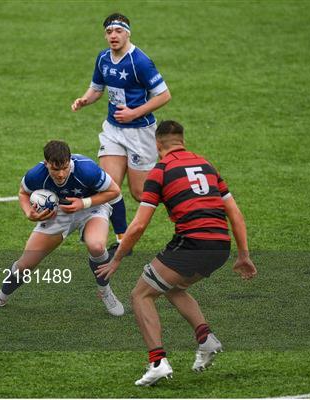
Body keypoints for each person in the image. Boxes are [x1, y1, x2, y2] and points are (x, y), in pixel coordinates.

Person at [96, 121, 257, 386]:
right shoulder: (208, 166)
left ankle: (157, 362)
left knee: (140, 295)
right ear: (182, 140)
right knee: (170, 286)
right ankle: (206, 339)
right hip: (220, 245)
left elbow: (138, 225)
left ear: (157, 145)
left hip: (192, 243)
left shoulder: (160, 171)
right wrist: (243, 255)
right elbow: (236, 215)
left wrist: (117, 258)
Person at [0, 140, 125, 316]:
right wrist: (28, 212)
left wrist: (83, 202)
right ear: (46, 163)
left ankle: (105, 291)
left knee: (97, 246)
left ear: (70, 160)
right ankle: (1, 296)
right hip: (59, 213)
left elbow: (114, 191)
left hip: (92, 207)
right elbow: (23, 193)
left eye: (64, 168)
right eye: (55, 169)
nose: (61, 174)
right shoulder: (36, 175)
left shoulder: (87, 169)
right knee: (25, 264)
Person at [71, 12, 172, 253]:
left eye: (118, 31)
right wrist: (85, 100)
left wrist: (134, 113)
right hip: (113, 130)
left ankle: (181, 206)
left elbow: (164, 95)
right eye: (109, 32)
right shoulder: (103, 58)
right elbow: (96, 88)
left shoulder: (140, 62)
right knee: (108, 187)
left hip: (140, 133)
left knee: (140, 193)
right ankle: (122, 239)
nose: (113, 36)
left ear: (128, 33)